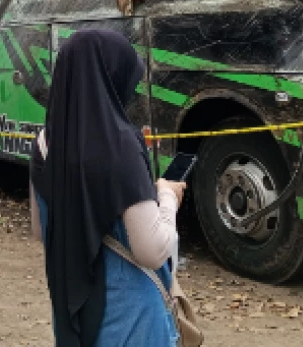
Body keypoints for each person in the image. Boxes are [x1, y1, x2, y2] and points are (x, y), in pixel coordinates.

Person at [30, 30, 186, 347]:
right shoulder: (121, 144)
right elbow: (152, 250)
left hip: (75, 318)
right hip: (133, 324)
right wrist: (168, 196)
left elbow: (39, 228)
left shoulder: (45, 141)